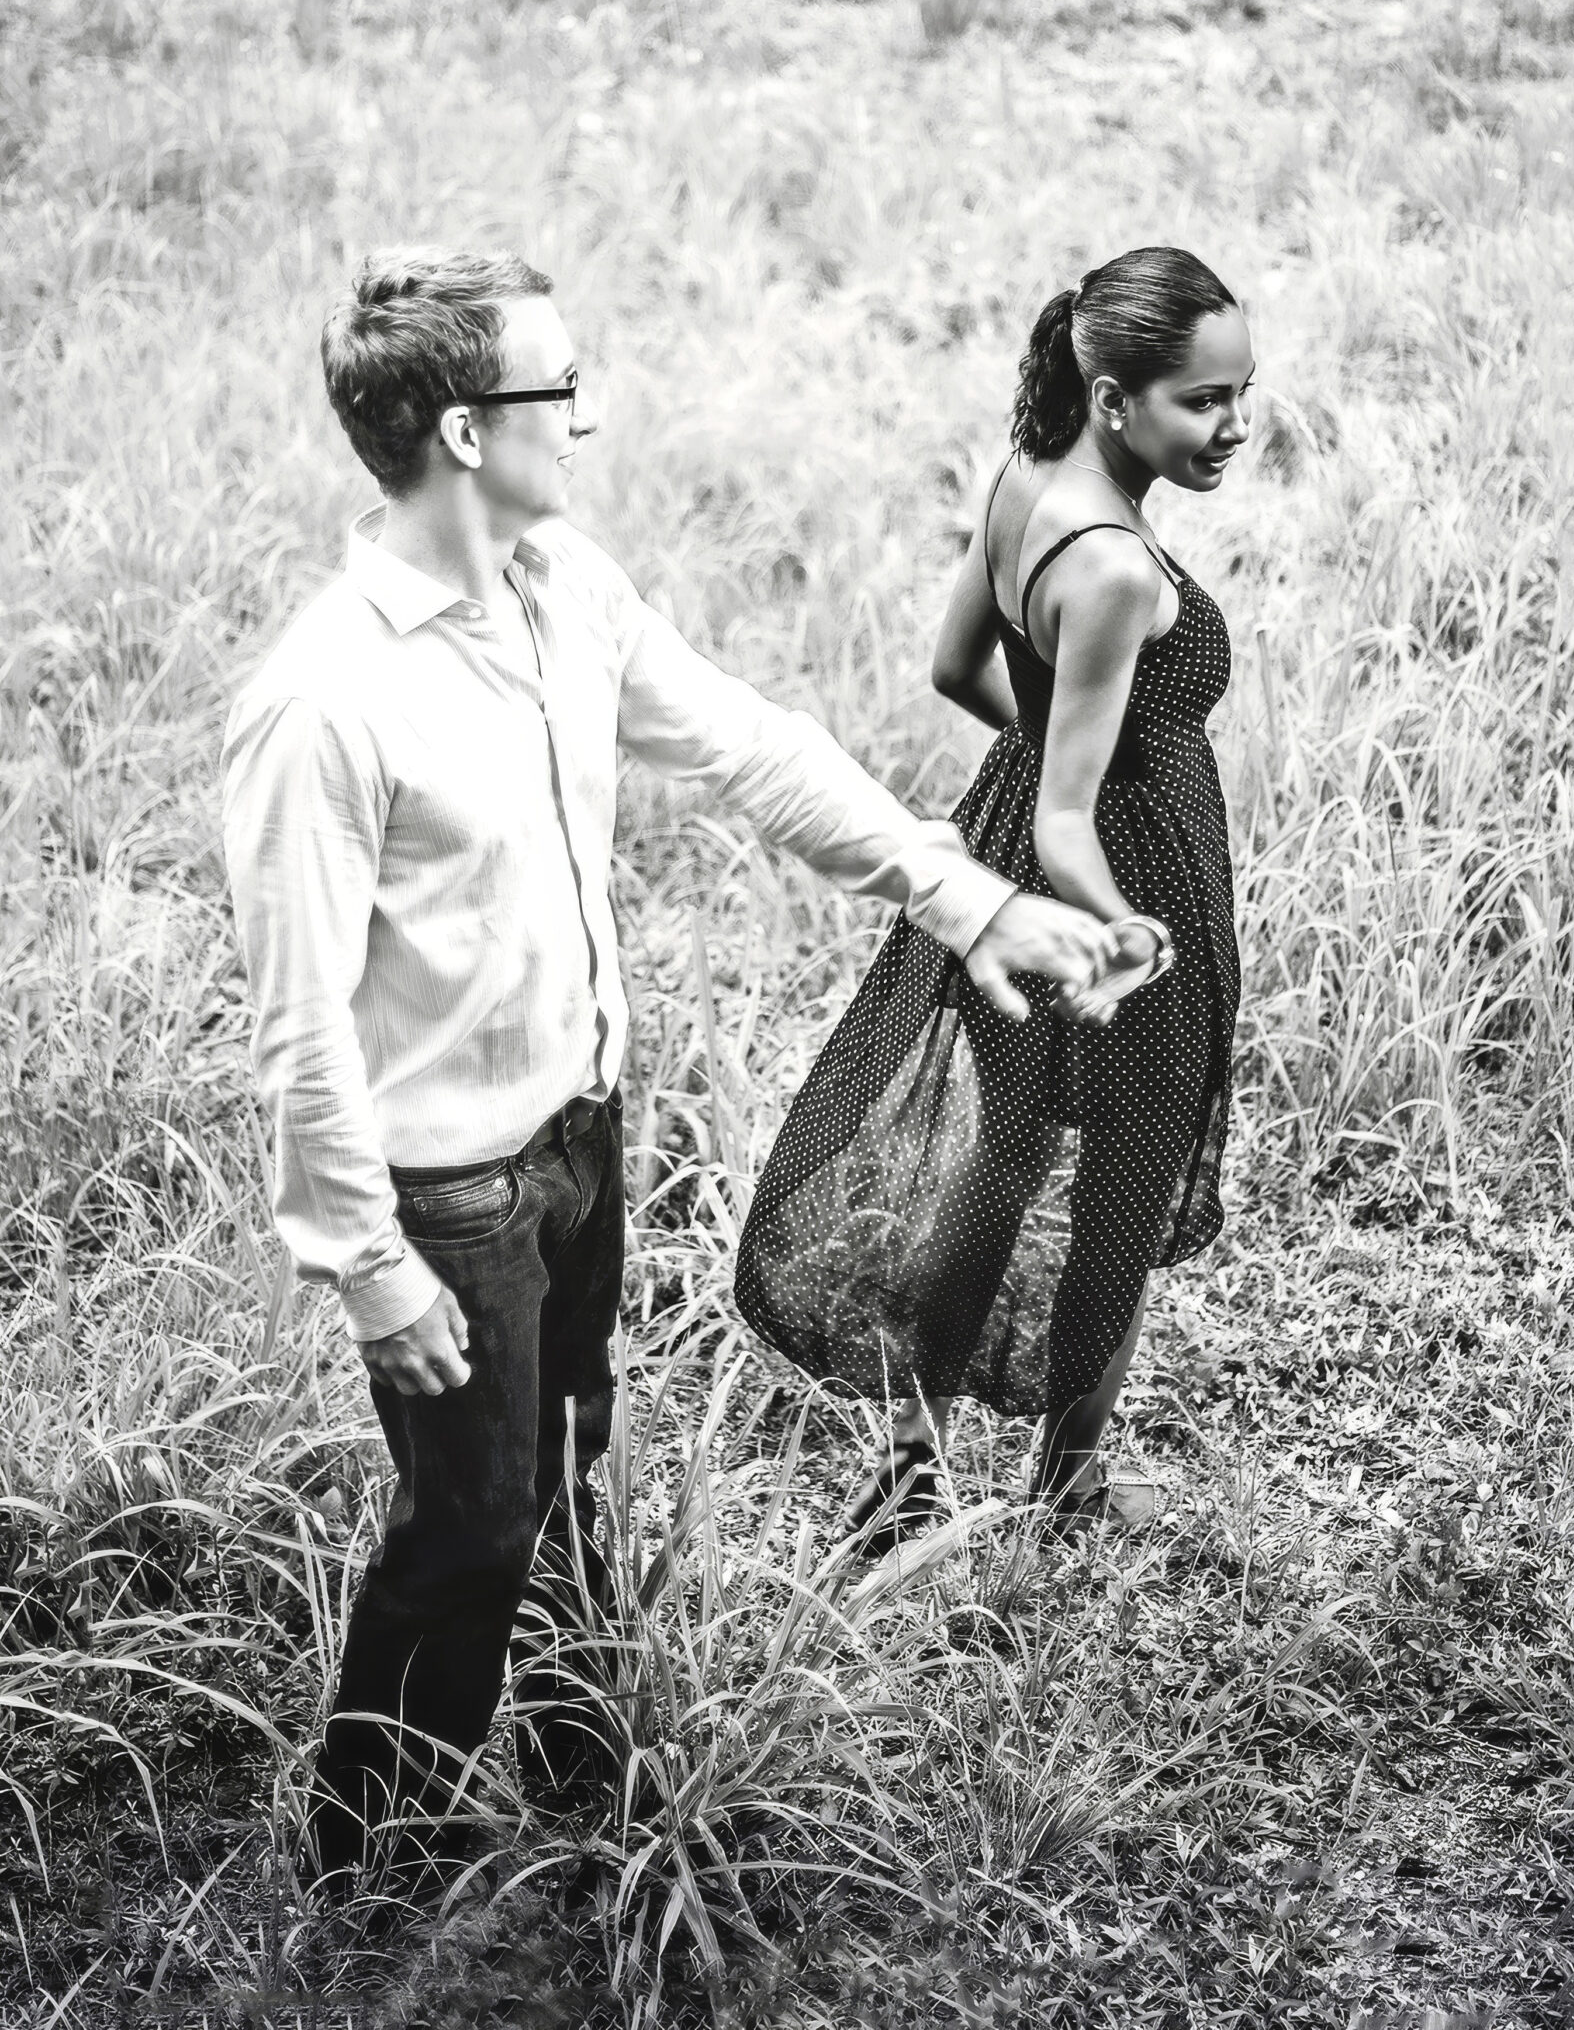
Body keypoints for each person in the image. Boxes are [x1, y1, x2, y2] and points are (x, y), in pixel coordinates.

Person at [219, 247, 1126, 1882]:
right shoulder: (325, 703)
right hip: (446, 1191)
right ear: (465, 433)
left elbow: (752, 750)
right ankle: (373, 1870)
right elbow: (296, 1034)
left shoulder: (564, 589)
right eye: (557, 387)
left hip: (577, 1128)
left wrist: (970, 895)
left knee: (568, 1467)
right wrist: (368, 1266)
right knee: (469, 1531)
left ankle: (584, 1774)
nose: (586, 415)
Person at [735, 247, 1250, 1552]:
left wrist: (1061, 752)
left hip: (994, 842)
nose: (1231, 427)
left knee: (1009, 1142)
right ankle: (1066, 1480)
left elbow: (955, 666)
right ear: (1113, 399)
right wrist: (1118, 913)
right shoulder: (1120, 568)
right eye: (1201, 401)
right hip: (1102, 872)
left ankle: (911, 1455)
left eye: (1240, 394)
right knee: (1127, 1175)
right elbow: (1078, 813)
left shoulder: (1023, 478)